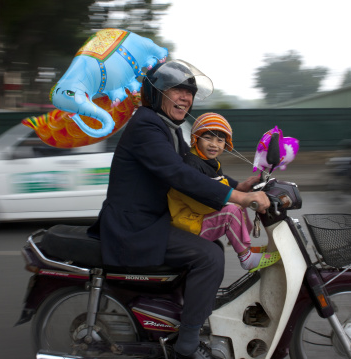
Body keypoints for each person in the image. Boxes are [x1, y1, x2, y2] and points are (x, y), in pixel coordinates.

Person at [87, 60, 270, 359]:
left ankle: (182, 312)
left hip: (154, 220)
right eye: (177, 90)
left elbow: (199, 171)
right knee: (209, 256)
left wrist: (243, 186)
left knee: (210, 244)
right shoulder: (146, 125)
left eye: (190, 92)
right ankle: (187, 343)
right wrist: (237, 198)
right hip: (136, 226)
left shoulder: (168, 128)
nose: (186, 97)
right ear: (156, 93)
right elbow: (178, 175)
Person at [167, 112, 281, 273]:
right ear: (196, 138)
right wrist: (237, 199)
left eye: (220, 140)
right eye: (208, 138)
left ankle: (243, 245)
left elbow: (221, 181)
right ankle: (246, 259)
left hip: (196, 218)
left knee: (238, 203)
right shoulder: (191, 164)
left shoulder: (208, 161)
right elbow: (202, 204)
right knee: (233, 210)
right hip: (189, 223)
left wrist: (241, 187)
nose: (214, 144)